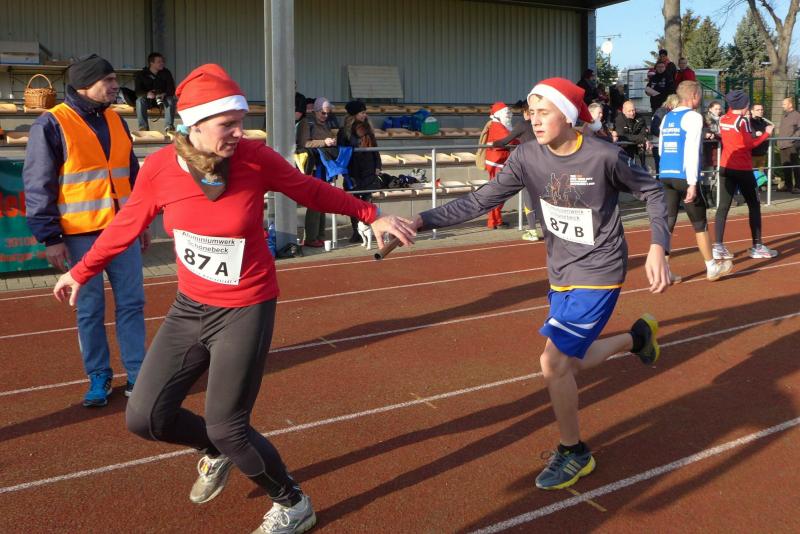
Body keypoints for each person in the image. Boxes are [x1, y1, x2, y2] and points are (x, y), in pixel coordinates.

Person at [52, 64, 417, 534]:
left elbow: (309, 190)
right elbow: (126, 224)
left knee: (228, 425)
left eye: (241, 122)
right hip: (190, 307)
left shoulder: (254, 158)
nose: (240, 132)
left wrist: (371, 213)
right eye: (228, 124)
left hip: (246, 307)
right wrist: (81, 271)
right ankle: (215, 450)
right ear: (195, 125)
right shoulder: (161, 168)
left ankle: (293, 503)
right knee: (145, 417)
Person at [412, 77, 670, 491]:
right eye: (530, 113)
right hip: (560, 271)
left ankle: (574, 451)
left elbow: (654, 192)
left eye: (543, 112)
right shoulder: (526, 157)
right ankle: (637, 339)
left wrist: (658, 247)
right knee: (571, 362)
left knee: (552, 363)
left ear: (566, 116)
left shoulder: (604, 155)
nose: (534, 120)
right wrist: (419, 221)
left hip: (600, 271)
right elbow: (479, 201)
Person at [22, 54, 147, 408]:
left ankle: (138, 374)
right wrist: (51, 238)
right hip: (80, 236)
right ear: (83, 85)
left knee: (132, 304)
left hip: (122, 231)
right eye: (108, 80)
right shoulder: (51, 124)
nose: (115, 86)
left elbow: (132, 174)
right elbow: (38, 184)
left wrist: (140, 221)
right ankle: (99, 376)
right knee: (89, 309)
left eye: (114, 79)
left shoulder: (117, 120)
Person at [658, 81, 733, 282]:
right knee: (700, 223)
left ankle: (664, 271)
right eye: (699, 95)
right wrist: (692, 183)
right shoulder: (693, 117)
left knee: (668, 222)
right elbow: (692, 150)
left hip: (666, 174)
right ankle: (711, 266)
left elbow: (661, 148)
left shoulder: (667, 117)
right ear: (694, 96)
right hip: (684, 176)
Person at [715, 90, 777, 259]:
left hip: (725, 166)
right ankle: (757, 246)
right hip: (742, 168)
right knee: (754, 205)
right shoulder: (743, 121)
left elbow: (725, 135)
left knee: (723, 206)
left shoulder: (723, 118)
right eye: (747, 104)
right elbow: (750, 144)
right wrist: (767, 133)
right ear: (743, 105)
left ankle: (718, 246)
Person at [492, 100, 541, 241]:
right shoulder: (542, 124)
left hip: (529, 166)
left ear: (526, 112)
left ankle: (532, 231)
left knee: (528, 198)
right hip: (544, 164)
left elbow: (504, 141)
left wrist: (493, 144)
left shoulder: (523, 125)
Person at [337, 100, 383, 243]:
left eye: (364, 112)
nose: (364, 115)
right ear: (354, 114)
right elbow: (341, 151)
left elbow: (375, 149)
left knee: (367, 201)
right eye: (362, 112)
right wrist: (344, 171)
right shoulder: (344, 131)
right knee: (353, 203)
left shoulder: (368, 129)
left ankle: (367, 230)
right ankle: (356, 232)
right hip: (353, 171)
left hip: (368, 170)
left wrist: (378, 165)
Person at [297, 97, 338, 247]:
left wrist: (332, 141)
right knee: (315, 202)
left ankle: (320, 235)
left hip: (323, 166)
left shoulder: (325, 124)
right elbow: (304, 143)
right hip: (313, 167)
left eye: (327, 113)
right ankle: (311, 237)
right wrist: (324, 142)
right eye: (323, 113)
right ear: (315, 111)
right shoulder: (306, 123)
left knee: (322, 201)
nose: (325, 116)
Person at [483, 102, 518, 229]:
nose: (509, 115)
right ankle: (493, 221)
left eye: (509, 113)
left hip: (500, 161)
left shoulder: (502, 124)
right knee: (497, 193)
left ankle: (497, 220)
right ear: (499, 114)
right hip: (496, 163)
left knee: (500, 192)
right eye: (506, 113)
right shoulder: (497, 125)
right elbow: (509, 139)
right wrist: (521, 138)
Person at [134, 52, 177, 132]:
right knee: (139, 101)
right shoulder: (142, 74)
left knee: (170, 100)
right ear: (151, 63)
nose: (162, 63)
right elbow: (137, 92)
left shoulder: (166, 73)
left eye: (163, 61)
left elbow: (172, 89)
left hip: (163, 100)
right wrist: (147, 94)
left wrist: (164, 94)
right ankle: (143, 128)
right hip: (148, 101)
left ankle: (169, 127)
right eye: (159, 62)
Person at [649, 94, 680, 172]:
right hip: (659, 145)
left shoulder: (673, 113)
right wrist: (667, 136)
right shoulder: (661, 112)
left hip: (670, 146)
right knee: (660, 170)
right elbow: (654, 128)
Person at [615, 100, 649, 168]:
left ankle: (643, 167)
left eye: (633, 110)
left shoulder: (640, 118)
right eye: (629, 111)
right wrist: (641, 139)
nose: (632, 113)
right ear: (623, 111)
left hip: (638, 147)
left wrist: (642, 139)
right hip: (624, 148)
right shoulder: (618, 119)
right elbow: (622, 136)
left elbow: (643, 134)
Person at [777, 97, 800, 193]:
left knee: (795, 166)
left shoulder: (797, 115)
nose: (782, 106)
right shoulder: (784, 115)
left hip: (792, 144)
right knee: (785, 165)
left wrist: (792, 139)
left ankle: (798, 186)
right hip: (783, 144)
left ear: (790, 104)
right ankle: (788, 185)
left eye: (784, 104)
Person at [749, 102, 772, 172]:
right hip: (752, 154)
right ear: (752, 111)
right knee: (750, 174)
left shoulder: (764, 122)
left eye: (761, 110)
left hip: (762, 153)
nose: (760, 111)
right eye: (758, 110)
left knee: (760, 176)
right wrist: (755, 134)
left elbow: (767, 134)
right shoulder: (748, 122)